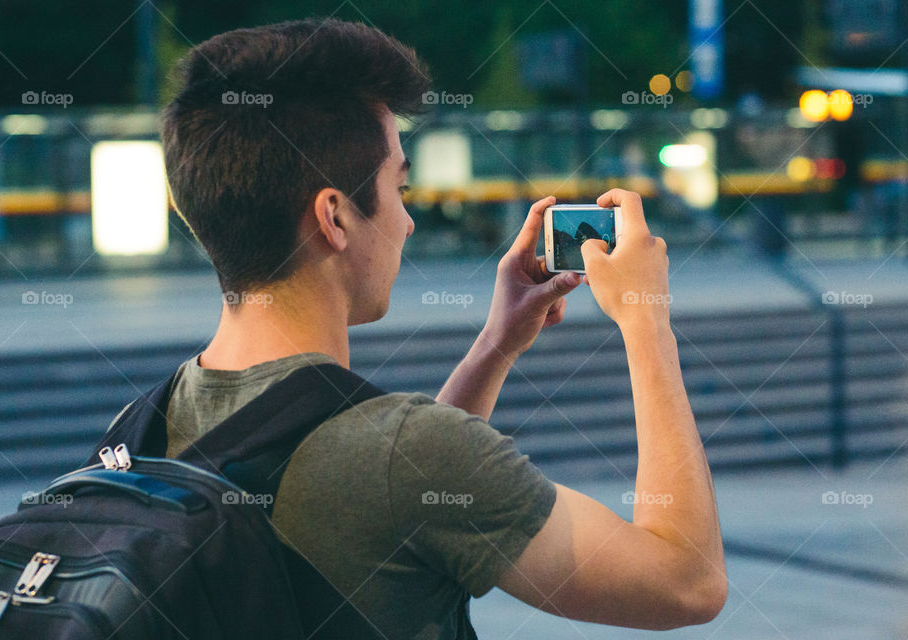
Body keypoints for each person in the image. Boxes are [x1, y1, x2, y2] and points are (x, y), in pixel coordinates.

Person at [152, 17, 726, 638]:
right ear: (334, 217)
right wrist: (646, 321)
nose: (408, 223)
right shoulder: (407, 456)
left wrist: (495, 347)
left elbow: (405, 498)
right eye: (399, 188)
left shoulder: (141, 428)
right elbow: (686, 582)